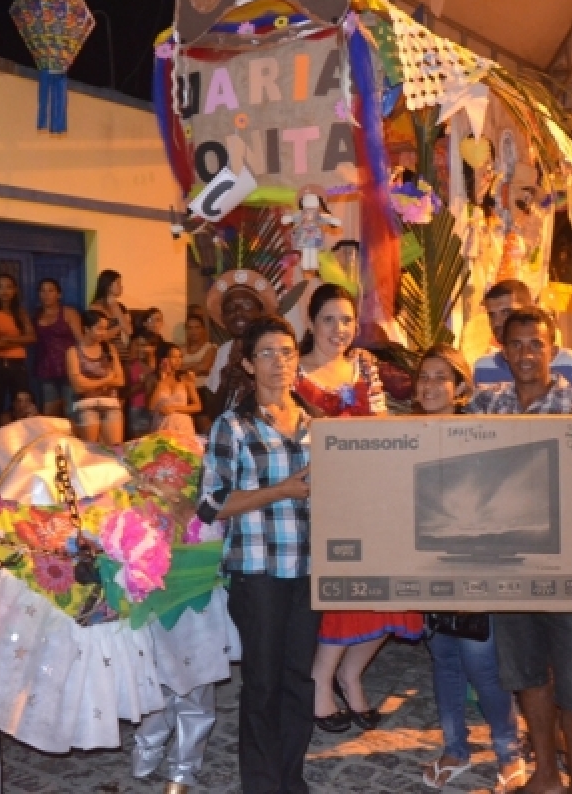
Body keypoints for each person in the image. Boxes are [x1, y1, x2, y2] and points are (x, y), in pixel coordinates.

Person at [466, 306, 572, 794]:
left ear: (553, 349)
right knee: (529, 675)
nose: (526, 353)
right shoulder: (485, 406)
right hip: (508, 564)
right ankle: (546, 774)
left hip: (569, 566)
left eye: (536, 344)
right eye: (517, 344)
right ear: (504, 351)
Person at [197, 314, 321, 794]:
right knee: (264, 683)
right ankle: (263, 785)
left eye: (287, 352)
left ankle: (292, 778)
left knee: (299, 681)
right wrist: (282, 490)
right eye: (266, 353)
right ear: (247, 364)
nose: (278, 363)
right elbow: (211, 505)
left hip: (308, 569)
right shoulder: (233, 426)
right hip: (257, 573)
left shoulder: (316, 426)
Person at [294, 284, 423, 734]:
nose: (339, 329)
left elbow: (382, 425)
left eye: (347, 320)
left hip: (370, 492)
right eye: (329, 319)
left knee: (390, 590)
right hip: (318, 498)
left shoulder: (365, 366)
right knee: (344, 595)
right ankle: (321, 681)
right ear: (311, 323)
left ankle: (352, 674)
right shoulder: (291, 371)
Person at [415, 344, 525, 793]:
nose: (429, 386)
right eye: (424, 376)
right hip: (427, 569)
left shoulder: (479, 434)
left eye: (441, 377)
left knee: (482, 663)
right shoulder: (405, 435)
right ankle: (455, 748)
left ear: (460, 387)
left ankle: (509, 751)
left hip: (478, 568)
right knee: (444, 660)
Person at [472, 279, 572, 399]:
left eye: (506, 312)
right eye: (492, 315)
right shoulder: (483, 368)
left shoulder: (570, 363)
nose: (497, 323)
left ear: (530, 309)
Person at [204, 270, 279, 424]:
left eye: (247, 305)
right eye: (230, 308)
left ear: (261, 312)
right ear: (223, 318)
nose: (238, 312)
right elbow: (211, 412)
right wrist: (226, 384)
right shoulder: (224, 351)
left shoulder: (275, 349)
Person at [65, 310, 125, 445]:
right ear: (86, 328)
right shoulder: (73, 352)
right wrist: (107, 379)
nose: (104, 333)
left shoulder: (109, 349)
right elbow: (78, 386)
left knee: (115, 449)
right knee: (90, 449)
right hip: (85, 404)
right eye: (100, 328)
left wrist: (88, 382)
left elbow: (120, 380)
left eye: (105, 329)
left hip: (110, 403)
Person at [0, 273, 36, 425]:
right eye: (0, 287)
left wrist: (6, 339)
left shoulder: (20, 312)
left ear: (15, 290)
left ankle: (22, 438)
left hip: (19, 364)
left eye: (9, 287)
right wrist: (20, 341)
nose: (4, 291)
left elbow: (32, 338)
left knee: (23, 404)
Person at [33, 278, 80, 417]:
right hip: (46, 367)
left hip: (68, 367)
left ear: (59, 294)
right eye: (42, 291)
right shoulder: (36, 315)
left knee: (71, 409)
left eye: (50, 290)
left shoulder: (68, 313)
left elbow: (80, 340)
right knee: (49, 412)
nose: (46, 294)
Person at [149, 342, 201, 436]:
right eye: (174, 357)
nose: (178, 360)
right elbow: (151, 407)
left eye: (180, 357)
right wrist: (162, 380)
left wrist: (174, 408)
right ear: (164, 359)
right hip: (162, 424)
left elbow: (197, 406)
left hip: (182, 425)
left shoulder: (186, 378)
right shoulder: (154, 379)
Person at [181, 313, 217, 432]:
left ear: (203, 329)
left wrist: (183, 367)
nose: (193, 331)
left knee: (204, 429)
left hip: (203, 391)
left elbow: (204, 367)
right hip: (185, 392)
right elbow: (175, 369)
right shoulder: (181, 349)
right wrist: (196, 365)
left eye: (197, 327)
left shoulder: (210, 348)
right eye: (190, 328)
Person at [88, 269, 133, 361]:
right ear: (108, 285)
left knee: (142, 373)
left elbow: (129, 331)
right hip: (106, 353)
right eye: (118, 283)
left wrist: (116, 307)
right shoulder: (96, 307)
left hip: (123, 352)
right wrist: (121, 324)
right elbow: (102, 337)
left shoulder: (120, 306)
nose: (121, 287)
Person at [125, 332, 156, 439]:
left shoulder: (161, 365)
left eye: (145, 345)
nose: (141, 349)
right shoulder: (130, 365)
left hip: (156, 411)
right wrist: (146, 376)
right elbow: (125, 393)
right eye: (139, 345)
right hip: (137, 409)